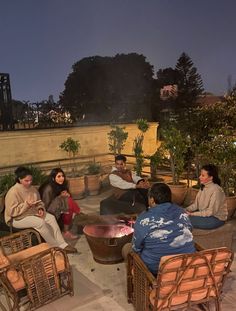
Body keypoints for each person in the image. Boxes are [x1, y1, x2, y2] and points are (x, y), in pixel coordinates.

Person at [4, 166, 77, 254]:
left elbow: (40, 202)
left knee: (51, 218)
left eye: (31, 180)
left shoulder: (32, 189)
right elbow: (11, 212)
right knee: (40, 223)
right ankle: (55, 247)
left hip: (31, 213)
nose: (29, 182)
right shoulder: (13, 192)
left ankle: (62, 244)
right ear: (19, 179)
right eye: (26, 181)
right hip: (16, 218)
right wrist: (26, 205)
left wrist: (40, 209)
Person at [127, 183, 195, 276]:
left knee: (126, 249)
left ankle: (142, 282)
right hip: (186, 263)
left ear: (152, 200)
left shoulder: (144, 219)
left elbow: (136, 247)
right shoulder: (182, 212)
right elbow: (190, 230)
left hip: (158, 267)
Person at [39, 168, 81, 239]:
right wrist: (60, 197)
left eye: (62, 176)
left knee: (68, 201)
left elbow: (66, 197)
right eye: (59, 176)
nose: (62, 178)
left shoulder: (62, 185)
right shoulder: (48, 188)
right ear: (53, 178)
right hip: (48, 210)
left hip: (59, 206)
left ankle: (66, 231)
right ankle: (67, 230)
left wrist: (67, 195)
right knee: (68, 202)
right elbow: (45, 205)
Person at [186, 164, 228, 229]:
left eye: (203, 175)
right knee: (182, 216)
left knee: (185, 219)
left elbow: (210, 212)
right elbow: (196, 205)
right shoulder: (204, 186)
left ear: (211, 177)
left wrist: (192, 214)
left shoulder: (216, 190)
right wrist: (186, 209)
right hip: (206, 215)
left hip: (216, 218)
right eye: (200, 175)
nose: (199, 177)